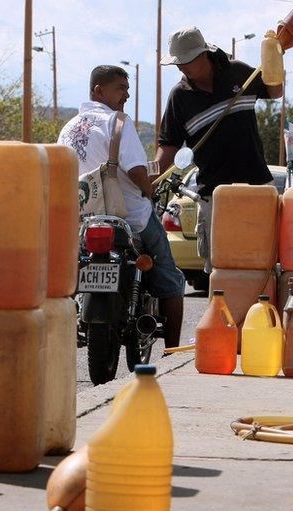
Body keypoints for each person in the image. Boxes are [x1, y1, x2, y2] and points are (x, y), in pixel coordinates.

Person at [58, 65, 185, 347]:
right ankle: (173, 353)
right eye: (120, 88)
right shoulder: (117, 122)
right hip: (129, 217)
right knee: (171, 279)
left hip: (82, 221)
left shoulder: (67, 128)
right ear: (98, 90)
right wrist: (149, 190)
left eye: (127, 89)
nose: (126, 95)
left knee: (64, 279)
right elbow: (138, 171)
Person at [154, 27, 284, 274]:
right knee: (221, 269)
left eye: (186, 62)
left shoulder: (238, 72)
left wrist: (274, 56)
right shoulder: (179, 97)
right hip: (214, 195)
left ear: (204, 54)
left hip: (257, 186)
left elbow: (275, 91)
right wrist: (150, 176)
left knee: (264, 263)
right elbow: (168, 146)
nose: (182, 68)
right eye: (178, 64)